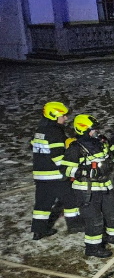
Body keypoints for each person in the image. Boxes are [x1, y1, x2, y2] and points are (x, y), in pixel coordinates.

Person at [62, 114, 114, 258]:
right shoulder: (76, 148)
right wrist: (84, 171)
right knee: (94, 220)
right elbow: (65, 169)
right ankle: (92, 247)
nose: (96, 132)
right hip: (86, 189)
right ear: (83, 130)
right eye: (93, 129)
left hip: (105, 185)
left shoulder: (102, 141)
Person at [30, 101, 81, 239]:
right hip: (56, 176)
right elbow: (58, 157)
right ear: (54, 116)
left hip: (41, 176)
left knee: (42, 204)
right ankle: (75, 225)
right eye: (63, 116)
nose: (66, 118)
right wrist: (72, 170)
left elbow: (35, 147)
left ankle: (38, 231)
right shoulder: (55, 132)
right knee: (71, 200)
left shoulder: (40, 130)